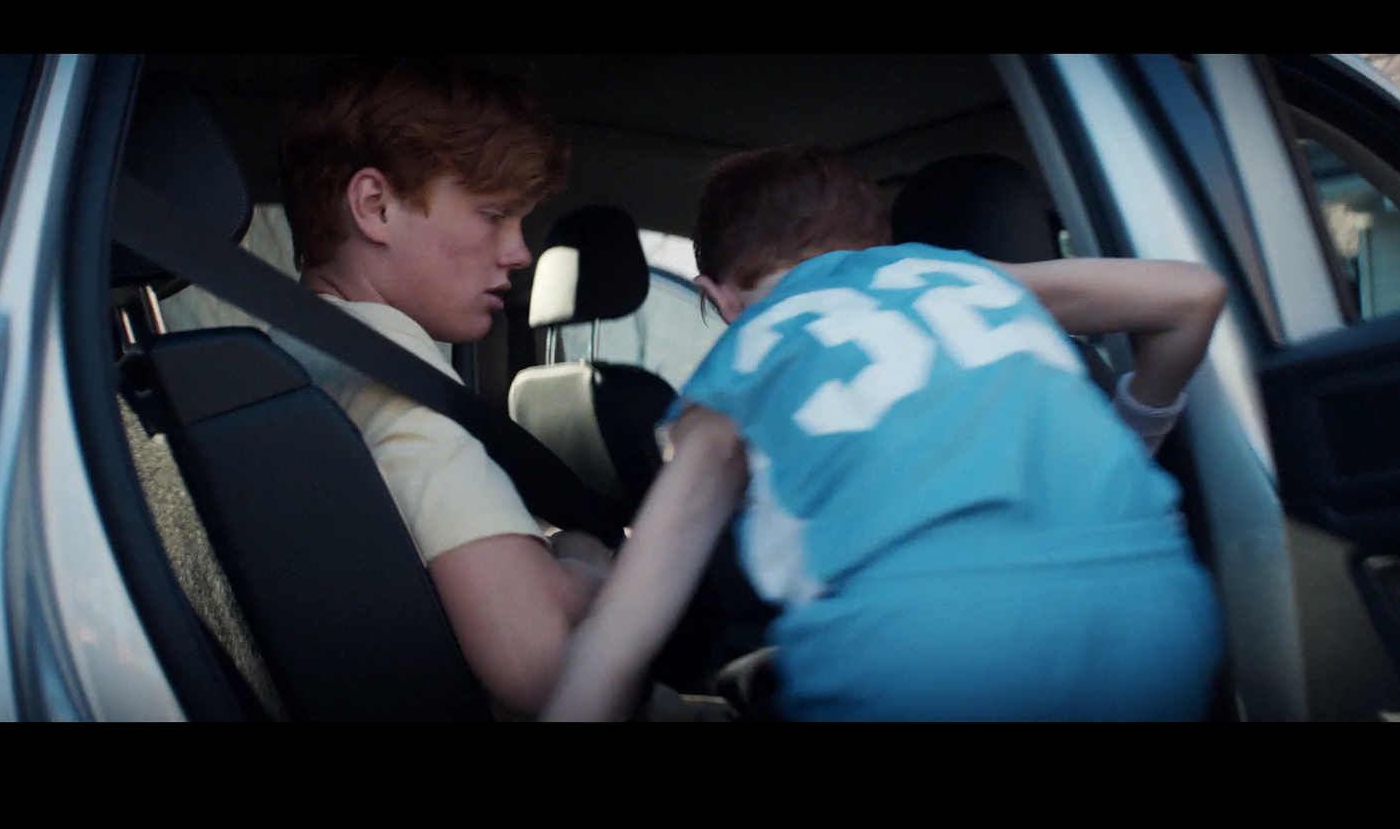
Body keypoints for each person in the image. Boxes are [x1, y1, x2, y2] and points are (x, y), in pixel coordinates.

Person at [543, 145, 1228, 721]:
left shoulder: (747, 352)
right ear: (885, 244)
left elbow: (629, 622)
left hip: (917, 653)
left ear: (717, 295)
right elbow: (1195, 296)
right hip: (1160, 620)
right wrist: (1137, 429)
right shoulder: (967, 278)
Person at [271, 55, 613, 719]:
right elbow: (535, 661)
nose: (520, 252)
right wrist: (591, 562)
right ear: (375, 207)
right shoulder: (386, 370)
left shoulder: (296, 354)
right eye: (494, 215)